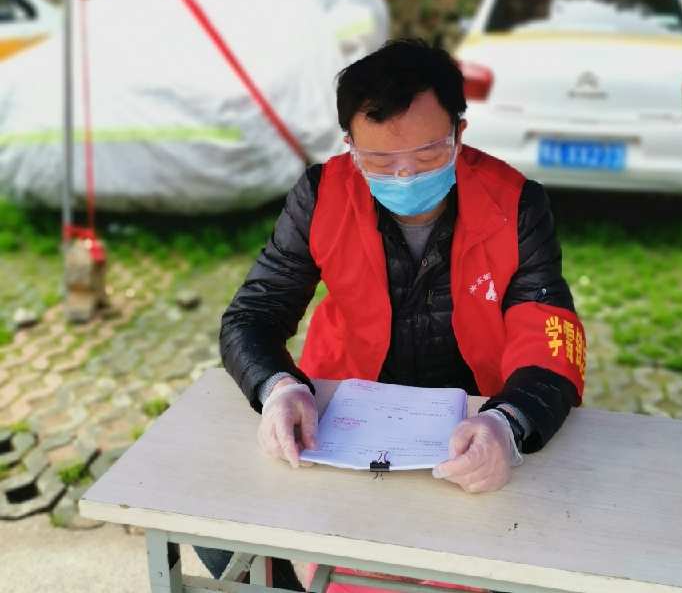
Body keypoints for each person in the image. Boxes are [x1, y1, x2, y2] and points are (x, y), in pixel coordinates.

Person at [196, 38, 586, 584]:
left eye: (428, 155)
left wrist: (509, 424)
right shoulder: (322, 195)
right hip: (344, 419)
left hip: (473, 423)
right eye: (379, 159)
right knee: (222, 533)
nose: (404, 176)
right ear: (350, 145)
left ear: (459, 134)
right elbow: (253, 315)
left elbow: (549, 337)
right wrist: (278, 388)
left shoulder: (516, 204)